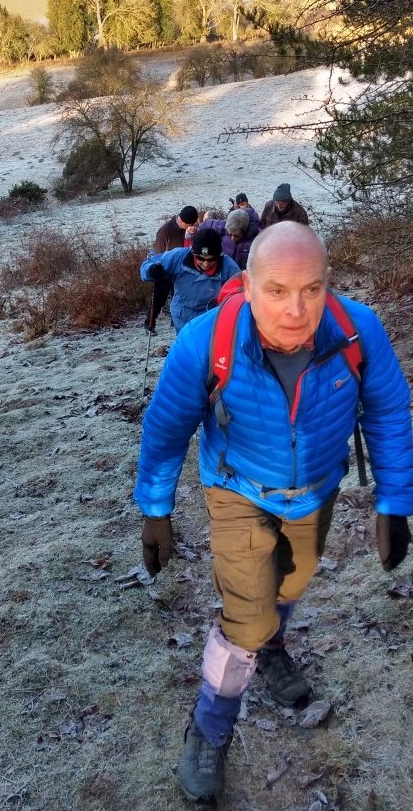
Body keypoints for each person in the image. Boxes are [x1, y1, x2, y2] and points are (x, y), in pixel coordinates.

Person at [134, 222, 412, 804]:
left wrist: (393, 503)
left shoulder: (358, 330)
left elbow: (387, 414)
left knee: (290, 584)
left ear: (327, 283)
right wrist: (155, 509)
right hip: (238, 490)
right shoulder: (206, 341)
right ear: (248, 283)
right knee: (248, 616)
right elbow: (165, 430)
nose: (296, 309)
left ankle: (271, 650)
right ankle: (209, 729)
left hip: (315, 490)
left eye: (311, 289)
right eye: (278, 290)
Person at [140, 228, 240, 335]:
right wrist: (150, 270)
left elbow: (240, 293)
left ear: (219, 255)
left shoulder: (229, 267)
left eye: (211, 259)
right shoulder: (178, 257)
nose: (206, 264)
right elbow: (147, 265)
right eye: (201, 259)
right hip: (182, 317)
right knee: (185, 347)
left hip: (210, 318)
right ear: (193, 253)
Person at [144, 205, 199, 334]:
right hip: (164, 269)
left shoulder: (184, 230)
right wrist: (156, 270)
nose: (192, 226)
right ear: (184, 222)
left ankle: (175, 321)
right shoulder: (165, 231)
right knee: (159, 299)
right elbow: (158, 252)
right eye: (190, 224)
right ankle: (149, 324)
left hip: (179, 270)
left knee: (178, 297)